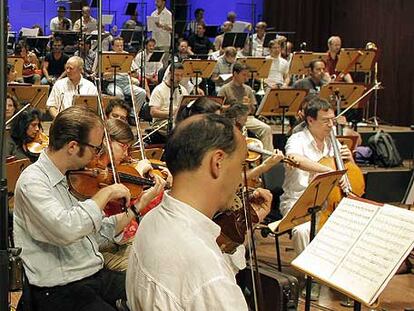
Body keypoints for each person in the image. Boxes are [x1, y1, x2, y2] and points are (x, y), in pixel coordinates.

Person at [126, 113, 271, 310]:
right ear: (217, 162)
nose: (241, 177)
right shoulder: (210, 276)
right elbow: (205, 277)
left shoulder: (152, 219)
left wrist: (243, 223)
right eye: (241, 165)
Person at [13, 106, 133, 311]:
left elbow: (91, 234)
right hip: (60, 287)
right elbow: (66, 229)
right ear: (72, 147)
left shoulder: (68, 177)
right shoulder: (32, 182)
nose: (98, 155)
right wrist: (105, 194)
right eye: (96, 148)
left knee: (145, 290)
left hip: (92, 274)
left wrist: (135, 209)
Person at [279, 98, 354, 300]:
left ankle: (340, 277)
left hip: (328, 202)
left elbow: (348, 171)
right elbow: (296, 160)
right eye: (325, 121)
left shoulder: (333, 141)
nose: (331, 125)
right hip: (299, 200)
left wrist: (349, 159)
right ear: (310, 120)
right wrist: (328, 171)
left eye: (333, 120)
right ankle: (311, 278)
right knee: (303, 230)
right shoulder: (297, 139)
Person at [98, 118, 167, 272]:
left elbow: (143, 209)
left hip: (126, 236)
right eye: (123, 147)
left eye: (129, 148)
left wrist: (156, 187)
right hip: (106, 244)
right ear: (107, 141)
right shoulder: (96, 174)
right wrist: (140, 179)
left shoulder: (119, 170)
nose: (127, 154)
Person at [218, 63, 274, 151]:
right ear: (235, 74)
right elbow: (219, 109)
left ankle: (267, 158)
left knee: (266, 129)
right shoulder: (225, 89)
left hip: (247, 118)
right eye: (243, 75)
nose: (246, 78)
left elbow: (253, 111)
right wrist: (231, 107)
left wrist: (249, 105)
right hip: (231, 119)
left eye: (247, 75)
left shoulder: (248, 89)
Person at [148, 62, 188, 143]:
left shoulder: (183, 90)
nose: (179, 78)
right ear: (170, 74)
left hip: (177, 121)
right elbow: (153, 112)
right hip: (161, 124)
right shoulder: (159, 90)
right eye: (176, 75)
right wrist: (172, 113)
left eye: (181, 75)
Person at [104, 37, 146, 110]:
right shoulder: (108, 56)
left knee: (142, 92)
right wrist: (116, 70)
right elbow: (105, 76)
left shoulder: (127, 55)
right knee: (118, 94)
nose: (120, 48)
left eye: (121, 46)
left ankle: (133, 114)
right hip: (113, 83)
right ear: (113, 47)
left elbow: (136, 73)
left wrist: (131, 73)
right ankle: (120, 114)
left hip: (126, 83)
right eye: (117, 46)